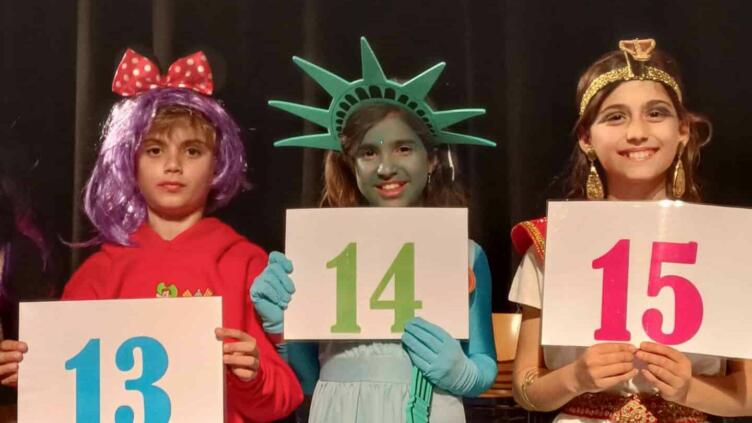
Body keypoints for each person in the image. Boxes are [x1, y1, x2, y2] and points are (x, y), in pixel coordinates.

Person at [0, 49, 302, 422]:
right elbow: (71, 396)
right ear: (130, 162)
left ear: (217, 164)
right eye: (155, 150)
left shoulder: (246, 264)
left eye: (192, 150)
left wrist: (253, 376)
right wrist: (36, 375)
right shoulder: (99, 275)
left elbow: (284, 396)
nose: (173, 165)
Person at [251, 37, 497, 423]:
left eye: (403, 148)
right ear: (351, 164)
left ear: (432, 159)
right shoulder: (321, 251)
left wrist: (463, 373)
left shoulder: (464, 252)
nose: (385, 167)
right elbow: (308, 380)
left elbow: (484, 363)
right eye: (368, 152)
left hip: (428, 410)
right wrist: (283, 330)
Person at [509, 38, 752, 421]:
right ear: (586, 138)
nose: (637, 132)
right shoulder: (552, 242)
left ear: (683, 129)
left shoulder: (723, 243)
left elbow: (747, 395)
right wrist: (575, 377)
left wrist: (689, 389)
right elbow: (526, 389)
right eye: (615, 117)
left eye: (656, 113)